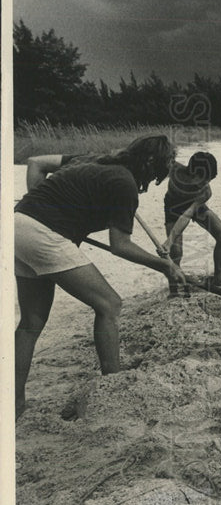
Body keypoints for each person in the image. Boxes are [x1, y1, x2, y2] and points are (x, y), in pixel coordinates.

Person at [14, 135, 186, 418]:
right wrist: (165, 266)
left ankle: (14, 403)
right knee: (109, 304)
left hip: (16, 223)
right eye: (161, 169)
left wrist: (36, 200)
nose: (160, 176)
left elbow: (36, 162)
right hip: (43, 235)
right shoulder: (124, 184)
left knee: (31, 322)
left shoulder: (94, 158)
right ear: (150, 163)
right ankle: (113, 385)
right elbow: (121, 245)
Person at [162, 151, 221, 297]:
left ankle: (218, 279)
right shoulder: (175, 170)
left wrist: (169, 239)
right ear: (192, 173)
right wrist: (169, 241)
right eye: (203, 179)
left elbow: (188, 213)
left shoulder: (205, 191)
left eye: (209, 180)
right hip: (173, 207)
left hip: (194, 207)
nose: (206, 183)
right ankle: (174, 291)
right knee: (175, 252)